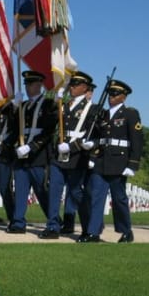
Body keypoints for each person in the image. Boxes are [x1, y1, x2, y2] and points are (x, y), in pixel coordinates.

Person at [81, 79, 144, 243]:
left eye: (116, 94)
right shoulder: (103, 114)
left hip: (119, 162)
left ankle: (126, 231)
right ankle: (93, 232)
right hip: (101, 161)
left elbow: (137, 140)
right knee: (96, 197)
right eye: (110, 94)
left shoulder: (130, 113)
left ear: (124, 97)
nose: (111, 97)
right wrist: (93, 151)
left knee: (119, 199)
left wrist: (133, 164)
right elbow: (99, 138)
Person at [48, 71, 100, 238]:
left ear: (85, 88)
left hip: (78, 156)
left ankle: (88, 227)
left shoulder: (93, 109)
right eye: (71, 84)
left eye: (76, 85)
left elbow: (92, 135)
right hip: (59, 155)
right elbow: (49, 120)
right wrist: (56, 101)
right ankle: (53, 226)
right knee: (54, 190)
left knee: (76, 193)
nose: (72, 87)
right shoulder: (64, 105)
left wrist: (72, 147)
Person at [8, 70, 58, 235]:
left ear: (40, 85)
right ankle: (18, 222)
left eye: (32, 84)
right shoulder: (23, 106)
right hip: (21, 154)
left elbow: (49, 131)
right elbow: (14, 129)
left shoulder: (49, 104)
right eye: (27, 84)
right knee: (20, 190)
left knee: (42, 191)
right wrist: (13, 108)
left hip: (39, 155)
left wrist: (32, 147)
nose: (29, 87)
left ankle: (54, 220)